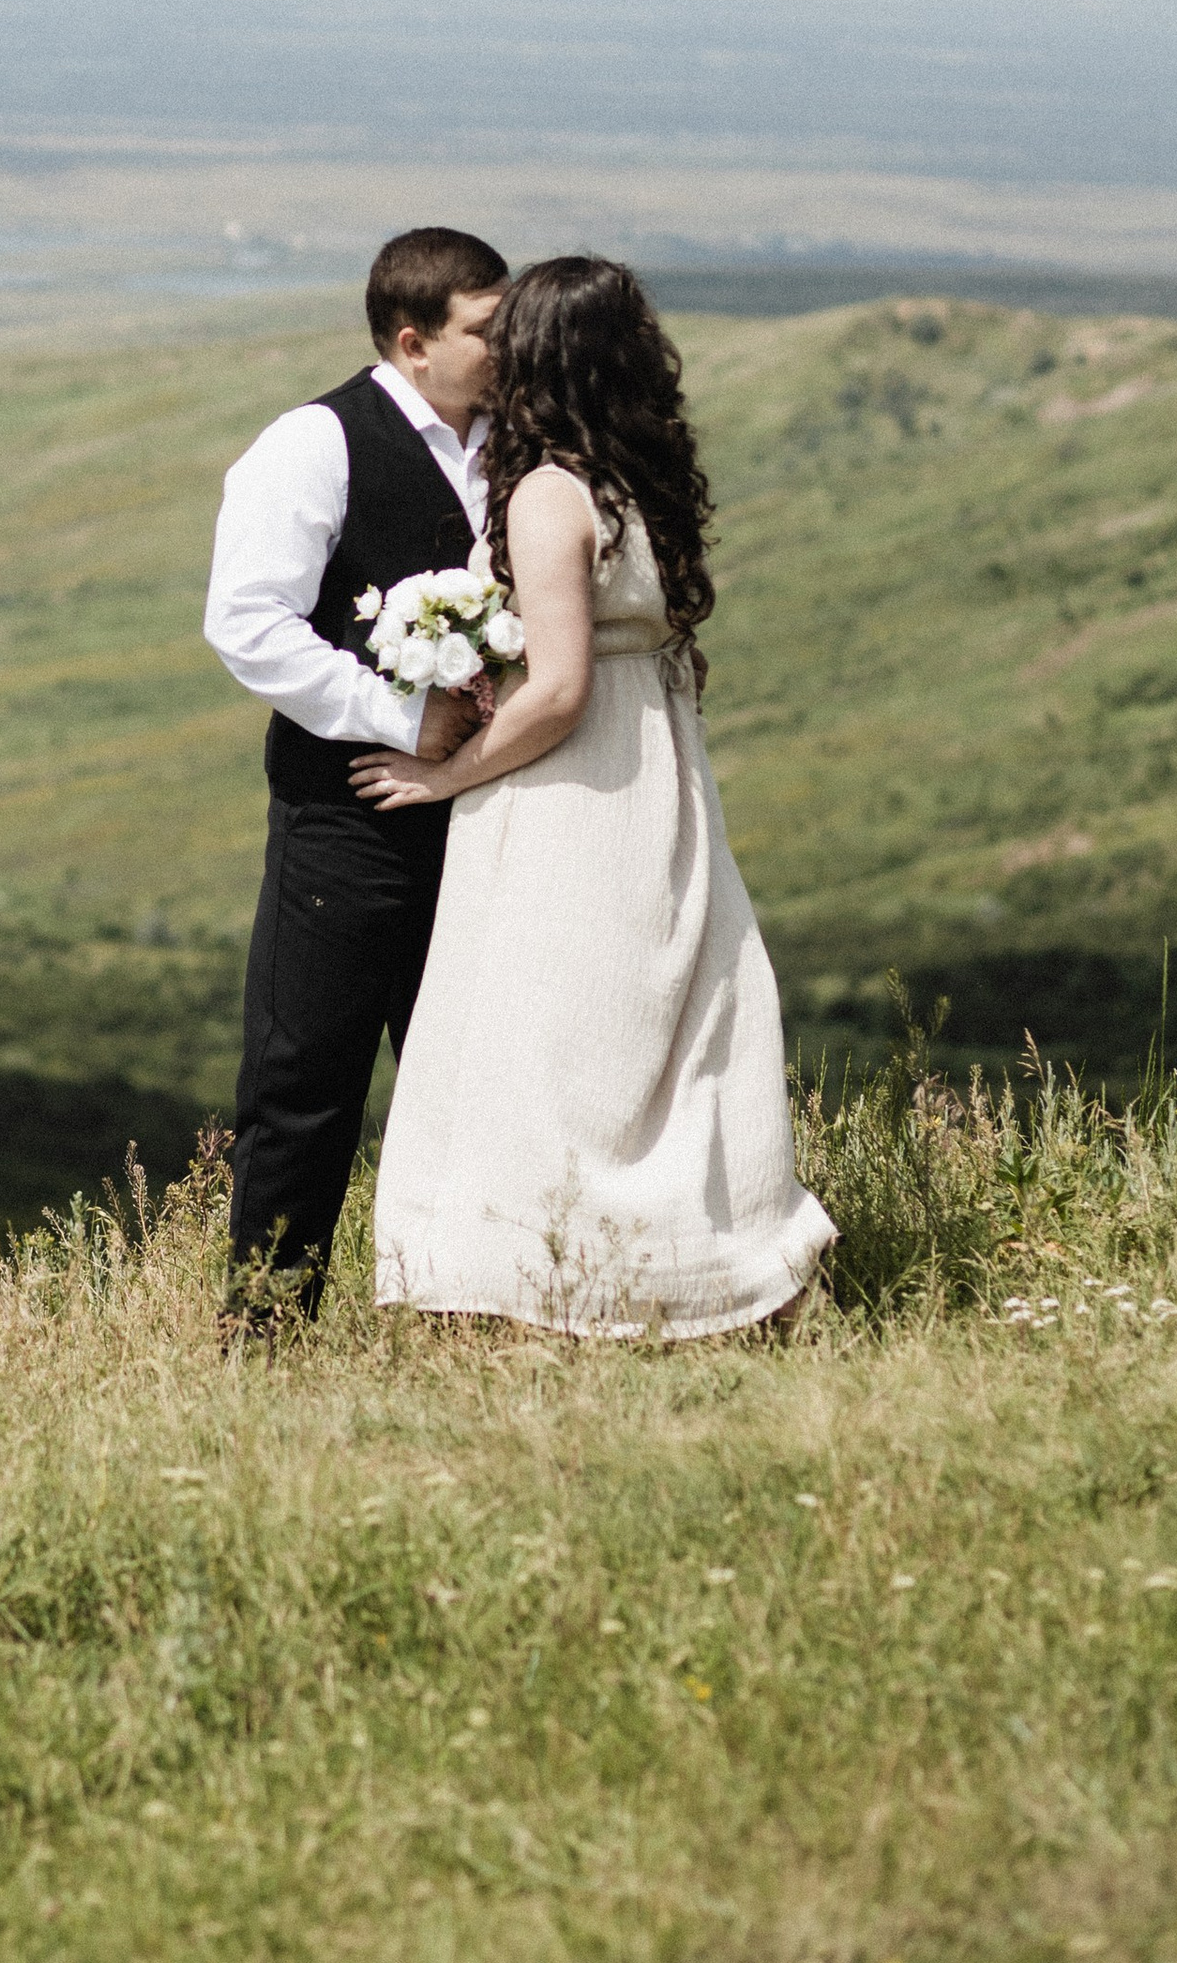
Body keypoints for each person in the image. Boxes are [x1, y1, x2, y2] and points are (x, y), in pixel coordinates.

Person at [356, 255, 833, 1339]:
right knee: (669, 1032)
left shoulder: (545, 494)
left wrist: (443, 775)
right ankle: (711, 1266)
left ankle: (547, 1284)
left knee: (542, 1037)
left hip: (569, 800)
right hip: (661, 783)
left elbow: (561, 688)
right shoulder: (640, 486)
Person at [203, 225, 508, 1317]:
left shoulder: (514, 446)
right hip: (347, 816)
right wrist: (393, 713)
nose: (506, 346)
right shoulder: (314, 442)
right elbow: (245, 622)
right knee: (306, 1082)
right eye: (486, 329)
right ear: (413, 339)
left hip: (488, 817)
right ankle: (267, 1328)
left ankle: (469, 1312)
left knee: (477, 1077)